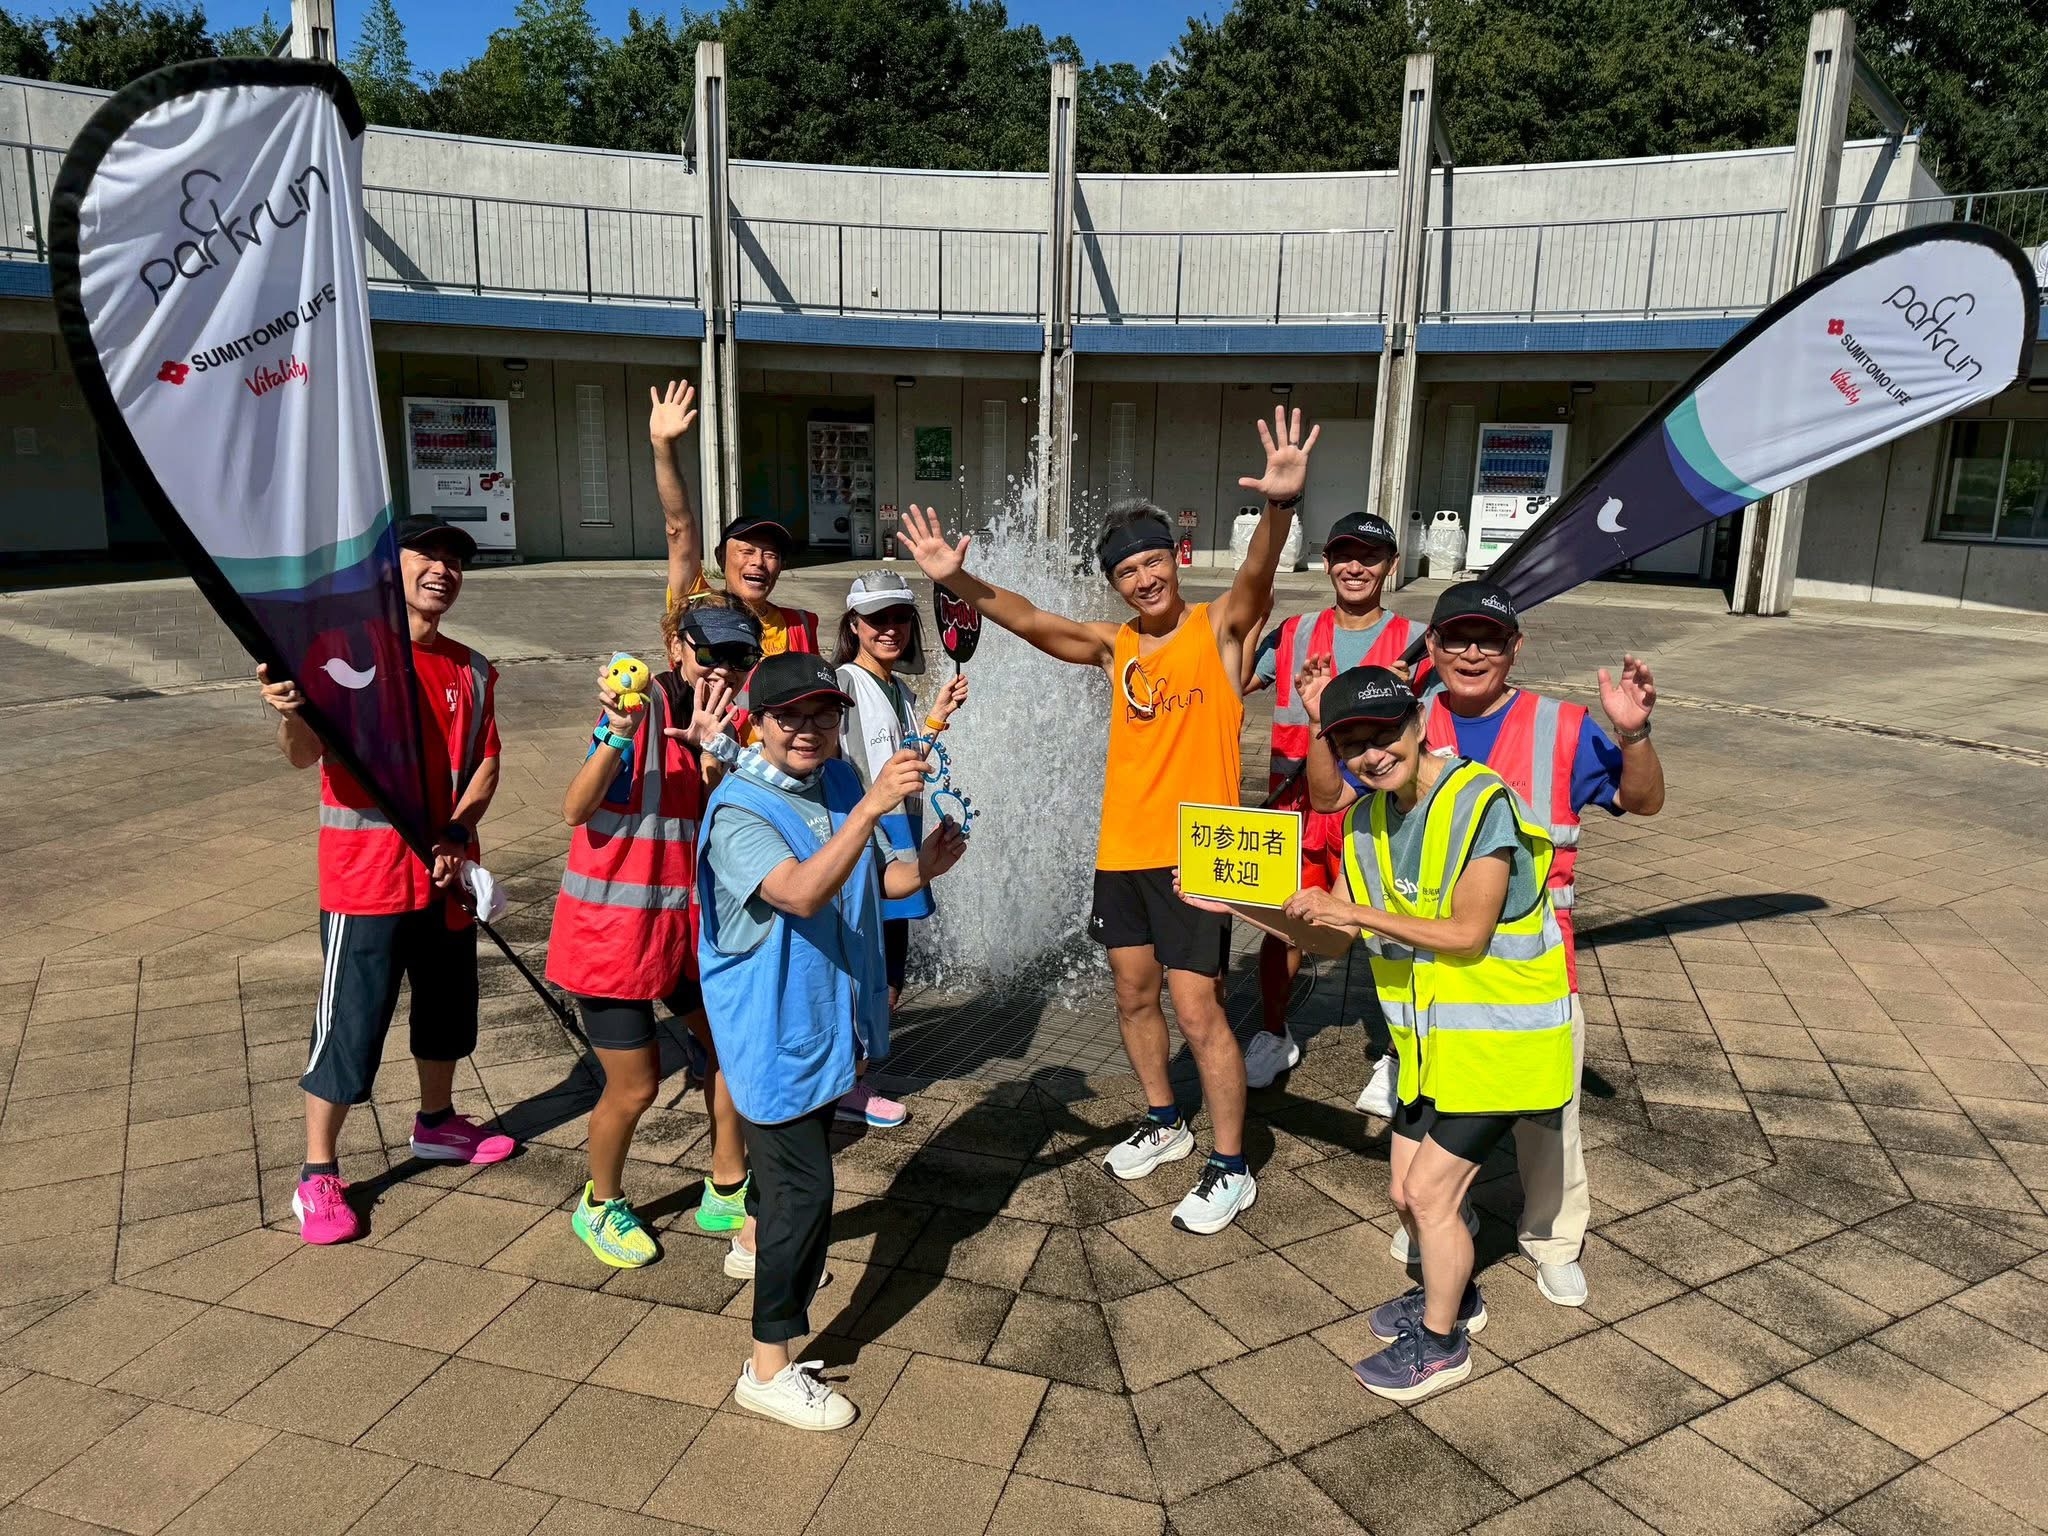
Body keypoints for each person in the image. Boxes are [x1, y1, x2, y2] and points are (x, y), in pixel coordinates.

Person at [896, 407, 1319, 1235]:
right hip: (1124, 851)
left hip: (1198, 855)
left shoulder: (1219, 630)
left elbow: (1257, 577)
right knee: (1132, 995)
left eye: (1154, 562)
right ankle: (1164, 1120)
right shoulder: (1115, 645)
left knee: (1199, 1010)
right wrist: (958, 580)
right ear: (1116, 583)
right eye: (1127, 571)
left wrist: (1279, 508)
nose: (1144, 580)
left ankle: (1230, 1166)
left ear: (1176, 559)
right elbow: (1030, 620)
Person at [1305, 578, 1663, 1309]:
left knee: (1548, 1121)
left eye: (1490, 639)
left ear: (1514, 648)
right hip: (1427, 980)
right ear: (1431, 647)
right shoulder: (1397, 717)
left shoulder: (1558, 725)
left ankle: (1552, 1239)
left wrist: (1632, 735)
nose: (1473, 652)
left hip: (1527, 968)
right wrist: (1324, 724)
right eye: (1457, 638)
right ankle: (1448, 1225)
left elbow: (1643, 801)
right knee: (1434, 1122)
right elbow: (1331, 798)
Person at [1274, 663, 1574, 1402]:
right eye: (1351, 744)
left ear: (1418, 724)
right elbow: (1331, 938)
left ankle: (1442, 1346)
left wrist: (1354, 912)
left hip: (1501, 1044)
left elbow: (1468, 933)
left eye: (1384, 735)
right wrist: (1234, 907)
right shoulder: (1364, 823)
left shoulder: (1480, 803)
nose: (1372, 755)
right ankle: (1455, 1294)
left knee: (1432, 1196)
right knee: (1405, 1196)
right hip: (1430, 1049)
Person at [697, 654, 967, 1429]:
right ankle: (767, 1367)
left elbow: (870, 882)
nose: (808, 729)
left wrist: (924, 868)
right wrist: (872, 805)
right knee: (807, 1192)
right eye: (789, 716)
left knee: (792, 1174)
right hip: (771, 1032)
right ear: (758, 723)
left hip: (825, 1023)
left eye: (823, 713)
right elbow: (801, 891)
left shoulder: (839, 779)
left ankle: (755, 1244)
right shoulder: (738, 810)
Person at [256, 514, 516, 1246]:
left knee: (446, 1009)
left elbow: (486, 762)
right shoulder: (341, 652)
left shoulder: (472, 668)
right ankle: (317, 1172)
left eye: (453, 560)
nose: (442, 570)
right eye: (425, 555)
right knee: (350, 1023)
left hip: (445, 877)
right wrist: (289, 712)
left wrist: (457, 835)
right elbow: (301, 754)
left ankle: (437, 1123)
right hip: (365, 881)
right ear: (388, 569)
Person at [544, 596, 763, 1268]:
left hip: (684, 934)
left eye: (739, 656)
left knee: (731, 1048)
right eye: (709, 652)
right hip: (611, 936)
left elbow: (724, 823)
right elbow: (575, 807)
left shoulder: (733, 723)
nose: (722, 668)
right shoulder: (637, 711)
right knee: (636, 1085)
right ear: (675, 650)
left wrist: (715, 754)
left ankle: (726, 1183)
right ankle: (599, 1204)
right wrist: (616, 734)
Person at [1240, 510, 1424, 1094]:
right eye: (1344, 555)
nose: (1355, 567)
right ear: (1326, 563)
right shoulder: (1294, 632)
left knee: (1393, 933)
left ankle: (1400, 1051)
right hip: (1296, 812)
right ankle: (1274, 1032)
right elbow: (1234, 681)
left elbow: (1441, 727)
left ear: (1391, 565)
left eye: (1370, 557)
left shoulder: (1417, 640)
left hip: (1378, 813)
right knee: (1284, 926)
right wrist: (1252, 620)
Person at [830, 569, 970, 1127]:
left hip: (902, 840)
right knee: (866, 969)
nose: (889, 628)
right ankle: (845, 1085)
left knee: (889, 969)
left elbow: (905, 758)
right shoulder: (843, 683)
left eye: (899, 618)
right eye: (876, 619)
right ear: (854, 625)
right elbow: (839, 768)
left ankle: (852, 1076)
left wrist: (936, 715)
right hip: (866, 845)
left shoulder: (899, 690)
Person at [651, 379, 819, 659]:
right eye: (747, 551)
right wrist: (662, 446)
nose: (758, 562)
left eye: (770, 554)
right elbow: (679, 528)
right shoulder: (696, 606)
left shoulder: (797, 625)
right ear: (720, 557)